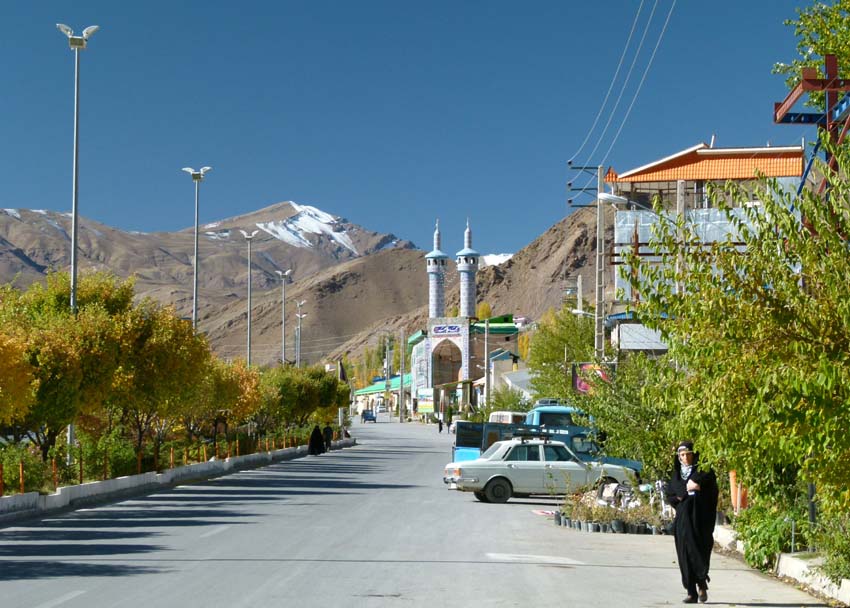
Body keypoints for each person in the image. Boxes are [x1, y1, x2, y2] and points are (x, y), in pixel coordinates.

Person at [665, 440, 718, 604]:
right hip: (683, 522)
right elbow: (670, 495)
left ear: (694, 455)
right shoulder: (676, 476)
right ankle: (691, 592)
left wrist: (699, 489)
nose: (685, 458)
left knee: (699, 551)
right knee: (684, 554)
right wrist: (681, 497)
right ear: (678, 457)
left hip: (699, 520)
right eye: (682, 455)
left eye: (688, 454)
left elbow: (712, 492)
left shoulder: (703, 471)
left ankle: (701, 583)